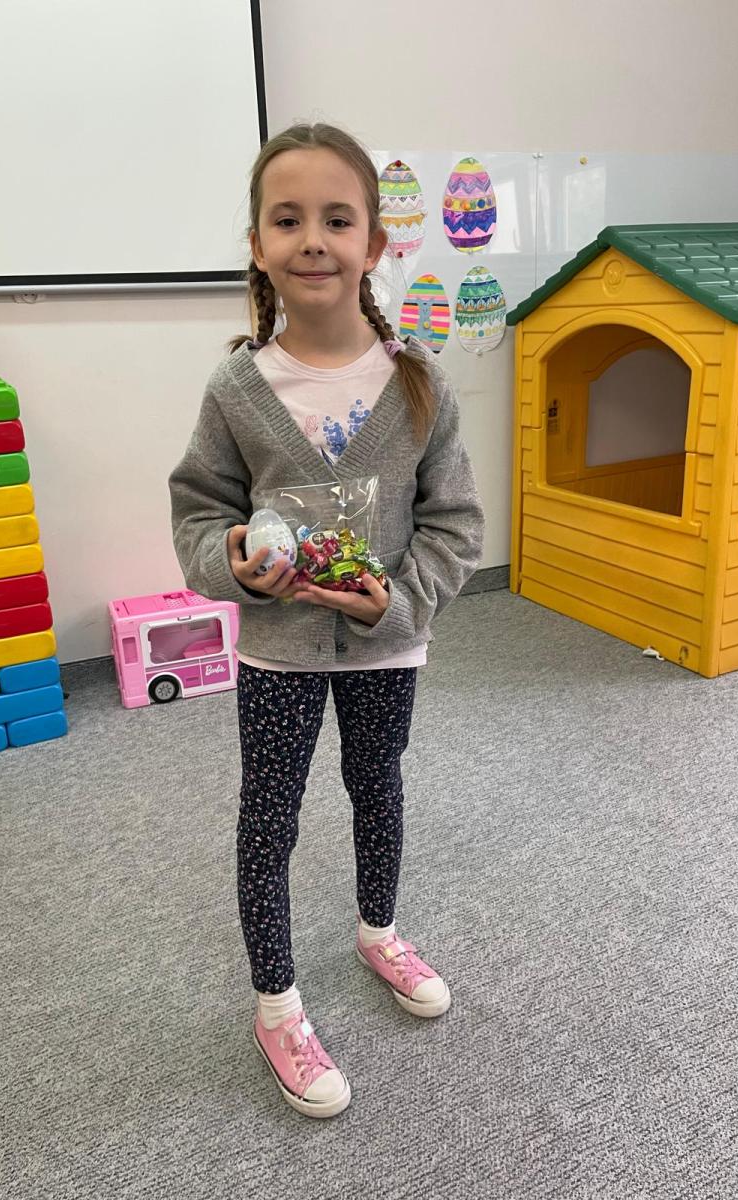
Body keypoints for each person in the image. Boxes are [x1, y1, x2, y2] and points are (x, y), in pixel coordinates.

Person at [169, 123, 484, 1119]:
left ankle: (378, 932)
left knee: (377, 789)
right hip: (279, 654)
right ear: (259, 246)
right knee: (269, 818)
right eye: (288, 219)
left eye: (338, 219)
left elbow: (455, 522)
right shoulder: (237, 389)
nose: (314, 239)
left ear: (374, 244)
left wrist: (404, 600)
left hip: (390, 647)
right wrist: (234, 561)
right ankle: (277, 1006)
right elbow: (199, 513)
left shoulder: (418, 380)